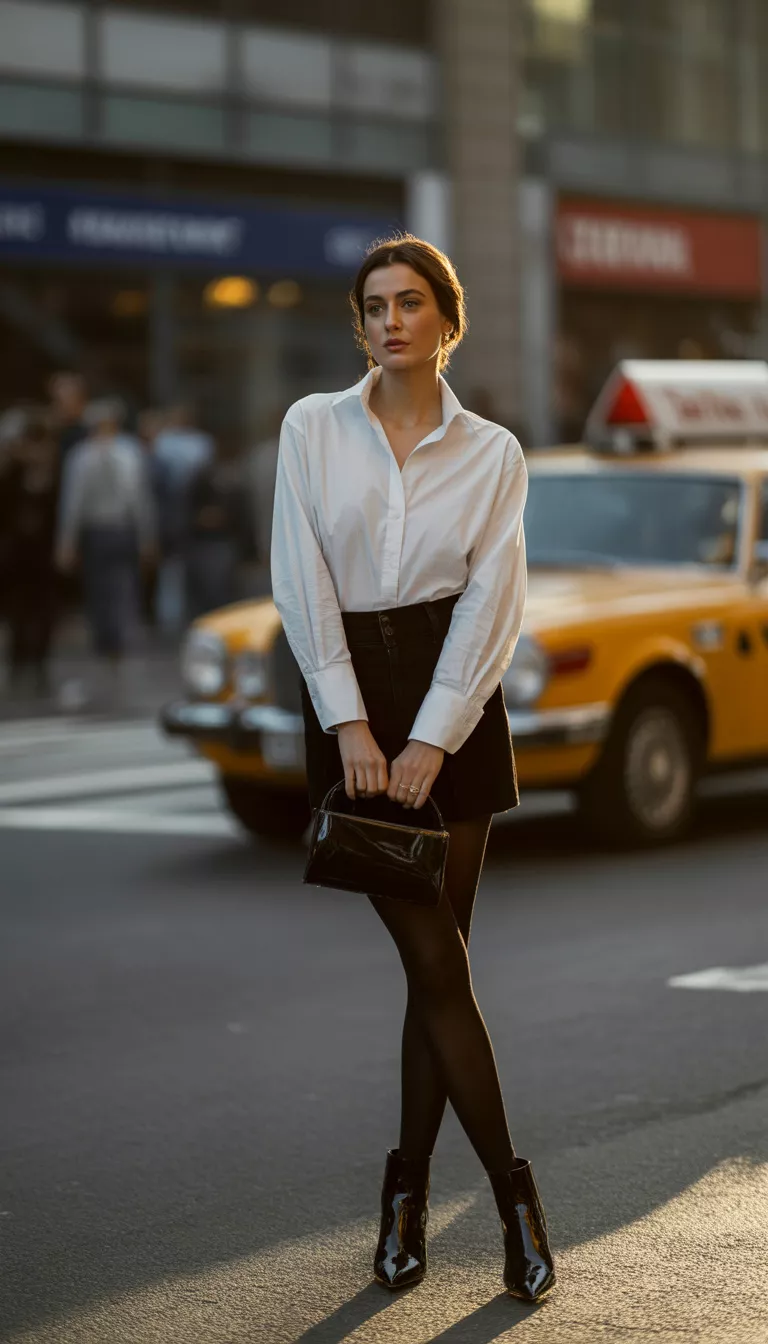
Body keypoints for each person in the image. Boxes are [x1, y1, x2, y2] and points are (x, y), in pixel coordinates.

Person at [270, 236, 555, 1301]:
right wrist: (350, 723)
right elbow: (300, 577)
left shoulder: (494, 453)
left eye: (412, 302)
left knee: (445, 970)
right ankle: (515, 1195)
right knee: (437, 965)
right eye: (374, 304)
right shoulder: (311, 427)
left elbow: (494, 602)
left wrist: (435, 734)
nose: (391, 319)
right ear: (360, 324)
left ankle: (405, 1196)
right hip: (354, 694)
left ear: (447, 318)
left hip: (457, 700)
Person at [56, 398, 155, 672]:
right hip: (96, 529)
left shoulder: (129, 452)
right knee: (99, 587)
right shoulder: (82, 456)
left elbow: (140, 499)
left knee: (122, 585)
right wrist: (67, 542)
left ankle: (121, 637)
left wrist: (147, 537)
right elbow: (72, 503)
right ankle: (105, 638)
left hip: (121, 527)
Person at [0, 408, 60, 696]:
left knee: (44, 611)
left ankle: (37, 663)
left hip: (45, 555)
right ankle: (19, 662)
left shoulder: (56, 473)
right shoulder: (12, 472)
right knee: (18, 611)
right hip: (16, 555)